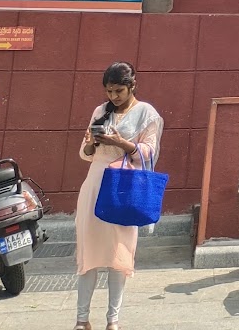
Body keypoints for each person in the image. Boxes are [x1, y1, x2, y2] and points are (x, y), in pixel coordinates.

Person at [76, 62, 162, 330]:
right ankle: (81, 320)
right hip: (94, 183)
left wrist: (120, 143)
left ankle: (113, 321)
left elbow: (149, 153)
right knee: (86, 254)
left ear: (132, 86)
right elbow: (84, 153)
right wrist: (93, 142)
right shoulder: (100, 112)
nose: (113, 97)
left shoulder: (147, 114)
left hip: (123, 187)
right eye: (109, 91)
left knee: (119, 256)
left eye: (119, 91)